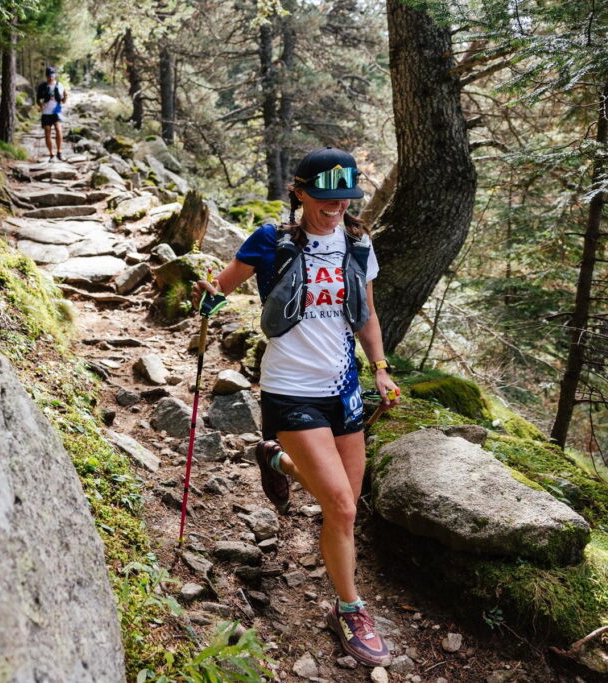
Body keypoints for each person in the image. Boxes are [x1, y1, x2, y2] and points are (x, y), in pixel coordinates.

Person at [194, 147, 401, 667]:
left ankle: (275, 460)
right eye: (327, 196)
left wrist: (379, 367)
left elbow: (366, 314)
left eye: (345, 197)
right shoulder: (272, 240)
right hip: (290, 387)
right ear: (301, 192)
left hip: (344, 387)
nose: (337, 206)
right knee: (342, 506)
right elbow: (221, 289)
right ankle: (349, 610)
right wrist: (208, 295)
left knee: (345, 502)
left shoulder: (358, 243)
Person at [36, 66, 67, 162]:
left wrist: (66, 96)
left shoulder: (60, 85)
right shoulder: (42, 86)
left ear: (55, 75)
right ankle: (51, 154)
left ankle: (59, 152)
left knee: (58, 129)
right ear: (46, 76)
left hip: (57, 112)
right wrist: (41, 106)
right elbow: (38, 99)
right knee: (47, 132)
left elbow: (63, 101)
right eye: (49, 76)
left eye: (52, 75)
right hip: (46, 113)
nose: (51, 77)